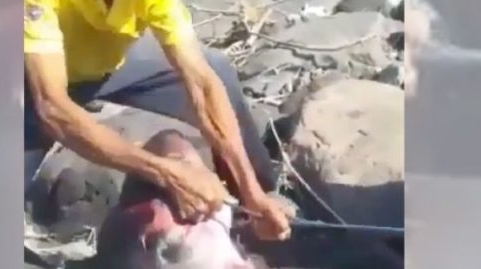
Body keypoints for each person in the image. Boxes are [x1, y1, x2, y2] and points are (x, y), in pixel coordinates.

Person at [23, 0, 291, 241]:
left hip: (109, 66)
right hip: (27, 77)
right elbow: (52, 108)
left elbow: (201, 84)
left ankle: (256, 207)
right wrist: (165, 172)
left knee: (216, 71)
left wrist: (250, 190)